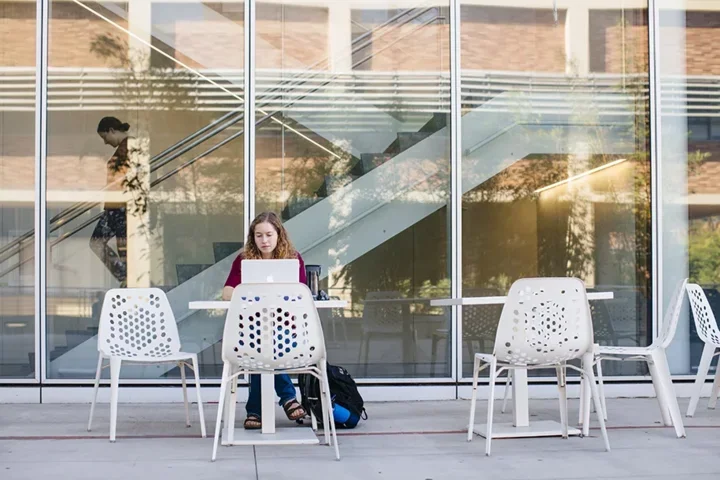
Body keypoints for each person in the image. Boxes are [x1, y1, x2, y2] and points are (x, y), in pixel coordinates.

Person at [222, 211, 307, 429]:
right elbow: (227, 292)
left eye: (269, 234)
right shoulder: (244, 260)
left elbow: (301, 294)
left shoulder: (293, 259)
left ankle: (254, 410)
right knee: (260, 340)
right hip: (252, 329)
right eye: (259, 235)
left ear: (279, 234)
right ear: (253, 237)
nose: (264, 240)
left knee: (264, 345)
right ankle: (288, 397)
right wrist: (253, 295)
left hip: (285, 330)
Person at [91, 116, 130, 285]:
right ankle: (126, 277)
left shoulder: (130, 147)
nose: (105, 143)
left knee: (118, 245)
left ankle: (127, 278)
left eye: (105, 137)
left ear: (112, 131)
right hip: (115, 206)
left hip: (121, 206)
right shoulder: (125, 147)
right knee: (98, 242)